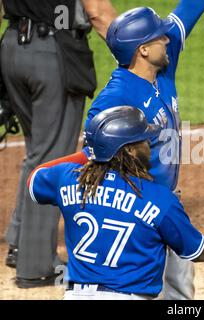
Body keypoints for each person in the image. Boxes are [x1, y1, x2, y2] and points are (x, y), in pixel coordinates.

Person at [26, 106, 204, 300]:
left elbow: (35, 177)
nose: (150, 145)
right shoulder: (159, 199)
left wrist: (91, 154)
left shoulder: (68, 180)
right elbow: (198, 250)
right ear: (128, 150)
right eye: (143, 140)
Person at [83, 1, 204, 299]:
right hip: (136, 211)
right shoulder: (117, 96)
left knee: (180, 291)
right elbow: (92, 148)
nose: (168, 39)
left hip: (167, 205)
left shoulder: (162, 69)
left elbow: (189, 10)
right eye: (159, 37)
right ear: (142, 50)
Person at [1, 0, 117, 288]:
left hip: (13, 48)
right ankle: (36, 267)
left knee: (38, 149)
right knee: (50, 158)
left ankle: (20, 241)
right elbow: (98, 11)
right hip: (51, 55)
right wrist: (133, 52)